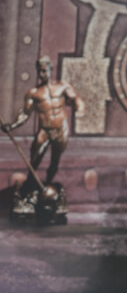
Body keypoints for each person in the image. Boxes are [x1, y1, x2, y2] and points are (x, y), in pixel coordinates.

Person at [1, 56, 84, 193]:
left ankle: (48, 186)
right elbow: (25, 114)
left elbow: (76, 98)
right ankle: (29, 185)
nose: (41, 74)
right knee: (34, 159)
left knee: (55, 160)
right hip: (44, 131)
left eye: (44, 71)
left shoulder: (62, 86)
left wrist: (79, 108)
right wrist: (12, 125)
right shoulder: (34, 93)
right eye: (39, 71)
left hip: (61, 130)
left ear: (51, 70)